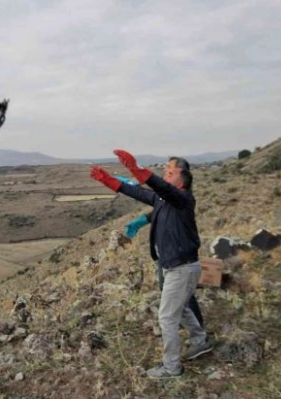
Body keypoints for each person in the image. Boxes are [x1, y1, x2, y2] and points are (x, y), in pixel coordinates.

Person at [90, 149, 211, 378]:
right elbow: (135, 191)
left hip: (181, 268)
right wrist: (108, 180)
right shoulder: (162, 200)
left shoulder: (183, 199)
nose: (165, 175)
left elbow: (160, 187)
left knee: (166, 317)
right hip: (176, 266)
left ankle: (171, 368)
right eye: (164, 171)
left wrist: (137, 169)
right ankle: (200, 341)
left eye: (170, 172)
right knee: (182, 307)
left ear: (183, 178)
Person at [124, 157, 205, 329]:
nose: (165, 170)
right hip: (165, 253)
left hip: (178, 256)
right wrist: (142, 219)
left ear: (180, 173)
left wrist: (137, 172)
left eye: (169, 168)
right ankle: (185, 322)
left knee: (183, 295)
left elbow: (161, 192)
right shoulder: (169, 195)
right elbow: (160, 208)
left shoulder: (181, 196)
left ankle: (198, 329)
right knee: (167, 287)